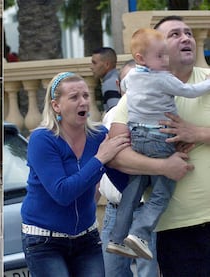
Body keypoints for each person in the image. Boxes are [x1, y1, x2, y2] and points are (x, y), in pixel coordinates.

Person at [108, 15, 210, 276]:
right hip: (178, 233)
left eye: (188, 32)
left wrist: (197, 133)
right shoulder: (136, 95)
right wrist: (163, 165)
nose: (186, 37)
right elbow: (114, 155)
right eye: (174, 34)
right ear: (153, 50)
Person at [20, 72, 130, 277]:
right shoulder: (42, 139)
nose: (83, 102)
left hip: (86, 237)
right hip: (45, 241)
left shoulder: (99, 137)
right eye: (74, 97)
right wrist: (100, 159)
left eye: (86, 96)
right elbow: (62, 192)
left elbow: (125, 184)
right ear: (56, 106)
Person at [99, 59, 160, 277]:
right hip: (113, 212)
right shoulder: (110, 117)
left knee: (148, 274)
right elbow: (101, 164)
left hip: (143, 210)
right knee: (111, 272)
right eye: (128, 81)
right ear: (119, 85)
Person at [91, 47, 121, 112]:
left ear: (107, 65)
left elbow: (115, 113)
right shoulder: (117, 77)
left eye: (94, 63)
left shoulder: (110, 83)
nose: (91, 67)